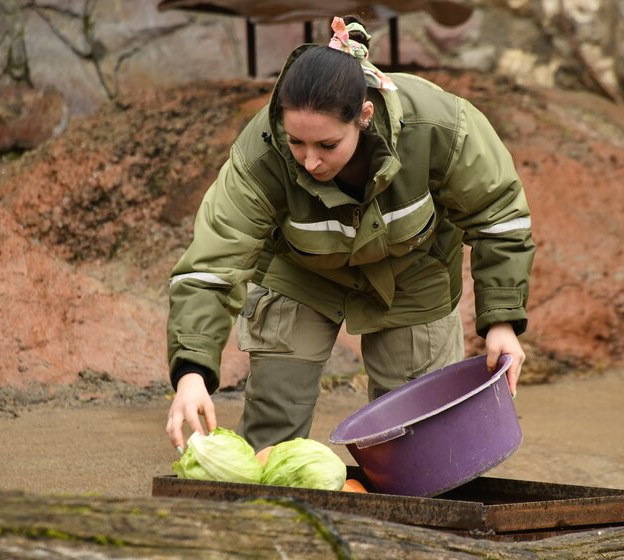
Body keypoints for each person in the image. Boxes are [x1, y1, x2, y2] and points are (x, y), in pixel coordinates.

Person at [166, 15, 535, 452]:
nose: (309, 162)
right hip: (300, 272)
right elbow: (213, 263)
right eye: (296, 143)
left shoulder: (439, 126)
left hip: (413, 272)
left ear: (364, 115)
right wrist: (191, 372)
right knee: (275, 414)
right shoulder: (262, 152)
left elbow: (499, 216)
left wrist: (504, 322)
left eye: (327, 145)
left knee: (413, 435)